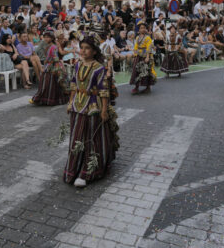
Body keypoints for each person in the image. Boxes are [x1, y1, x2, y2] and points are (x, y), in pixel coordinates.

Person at [64, 33, 119, 187]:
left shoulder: (99, 68)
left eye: (87, 48)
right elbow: (74, 85)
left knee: (91, 138)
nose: (83, 51)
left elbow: (103, 90)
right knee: (76, 138)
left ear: (94, 51)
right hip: (77, 106)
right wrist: (70, 103)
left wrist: (103, 111)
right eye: (82, 48)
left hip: (92, 107)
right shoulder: (77, 64)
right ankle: (73, 170)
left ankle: (87, 172)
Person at [30, 29, 68, 106]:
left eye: (48, 37)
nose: (46, 39)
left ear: (52, 38)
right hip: (49, 65)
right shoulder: (49, 46)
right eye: (45, 37)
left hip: (52, 66)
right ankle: (42, 99)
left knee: (48, 84)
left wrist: (56, 67)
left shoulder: (53, 46)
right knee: (46, 84)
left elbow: (55, 58)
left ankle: (42, 99)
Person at [129, 22, 156, 94]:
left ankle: (148, 87)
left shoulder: (148, 38)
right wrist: (134, 54)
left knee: (146, 72)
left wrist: (147, 57)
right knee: (137, 72)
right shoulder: (137, 37)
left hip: (145, 56)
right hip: (139, 56)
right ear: (139, 29)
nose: (143, 29)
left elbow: (149, 48)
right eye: (141, 28)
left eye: (144, 28)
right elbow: (135, 46)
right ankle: (136, 87)